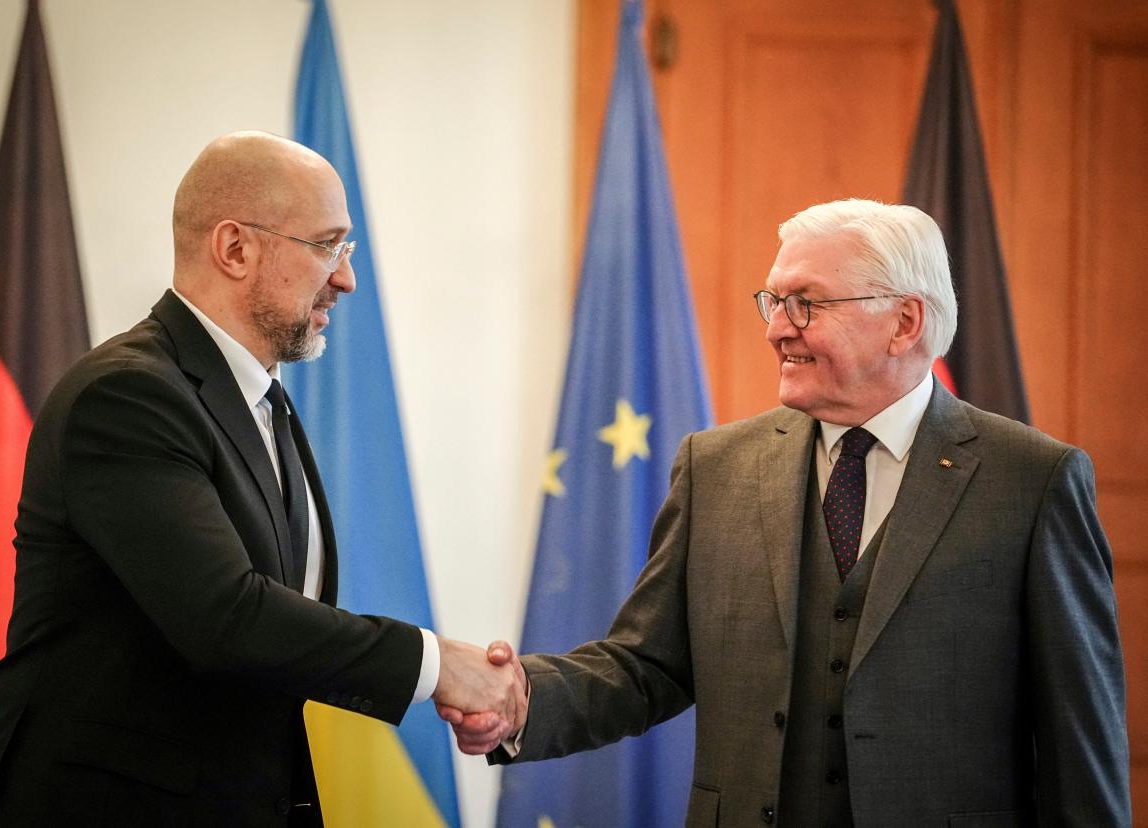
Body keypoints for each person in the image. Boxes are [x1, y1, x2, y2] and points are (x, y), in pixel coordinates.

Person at [445, 199, 1131, 826]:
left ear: (905, 321)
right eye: (773, 301)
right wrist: (523, 700)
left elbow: (1079, 737)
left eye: (806, 303)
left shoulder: (1031, 481)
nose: (777, 329)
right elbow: (646, 665)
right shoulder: (714, 468)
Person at [0, 131, 524, 828]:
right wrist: (438, 665)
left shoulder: (263, 400)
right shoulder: (128, 397)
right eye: (328, 247)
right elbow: (229, 619)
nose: (346, 278)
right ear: (235, 249)